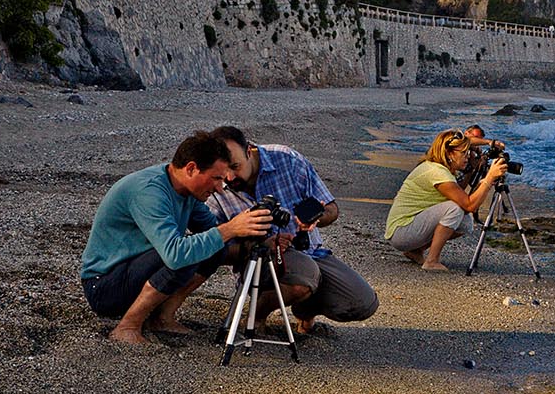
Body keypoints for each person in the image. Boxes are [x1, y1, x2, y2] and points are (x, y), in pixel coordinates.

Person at [79, 131, 272, 346]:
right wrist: (230, 229)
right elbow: (176, 255)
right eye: (216, 178)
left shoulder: (186, 191)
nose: (220, 187)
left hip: (134, 272)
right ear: (190, 168)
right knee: (182, 254)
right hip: (104, 287)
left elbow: (213, 232)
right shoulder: (149, 192)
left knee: (212, 248)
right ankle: (127, 326)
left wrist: (252, 235)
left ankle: (162, 318)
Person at [207, 126, 378, 335]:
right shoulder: (213, 186)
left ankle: (305, 310)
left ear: (249, 150)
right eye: (223, 171)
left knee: (363, 302)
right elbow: (215, 250)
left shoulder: (286, 160)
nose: (230, 178)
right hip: (256, 262)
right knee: (305, 276)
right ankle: (257, 315)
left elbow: (332, 209)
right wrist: (255, 243)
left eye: (235, 166)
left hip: (311, 251)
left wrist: (315, 218)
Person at [385, 129, 508, 271]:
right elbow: (469, 205)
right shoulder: (437, 172)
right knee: (454, 209)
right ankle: (431, 261)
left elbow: (458, 191)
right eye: (464, 153)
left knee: (465, 222)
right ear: (449, 153)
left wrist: (484, 151)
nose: (467, 156)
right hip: (401, 231)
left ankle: (415, 251)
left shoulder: (439, 167)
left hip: (408, 227)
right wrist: (489, 178)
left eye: (468, 152)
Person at [454, 124, 505, 192]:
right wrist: (489, 142)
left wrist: (473, 167)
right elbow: (466, 140)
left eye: (479, 140)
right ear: (466, 133)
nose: (477, 142)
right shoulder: (456, 141)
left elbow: (462, 187)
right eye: (475, 137)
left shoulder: (471, 154)